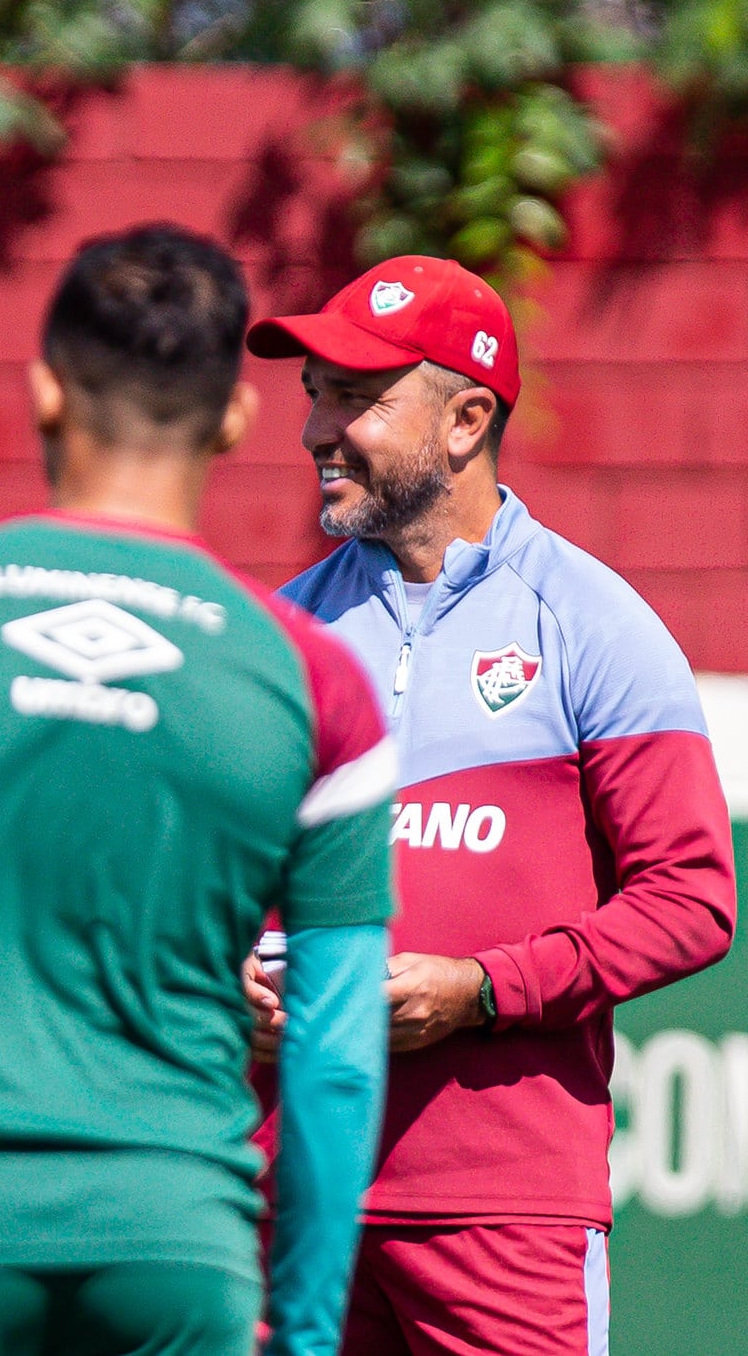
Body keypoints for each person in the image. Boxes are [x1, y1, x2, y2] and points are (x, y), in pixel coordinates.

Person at [0, 223, 396, 1356]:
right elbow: (335, 1050)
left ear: (45, 392)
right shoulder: (313, 678)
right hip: (178, 1249)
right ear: (236, 419)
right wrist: (296, 1330)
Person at [244, 255, 737, 1354]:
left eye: (357, 399)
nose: (318, 431)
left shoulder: (591, 622)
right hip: (289, 1200)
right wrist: (228, 970)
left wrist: (479, 991)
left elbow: (693, 899)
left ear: (465, 418)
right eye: (313, 395)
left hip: (503, 1208)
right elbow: (202, 881)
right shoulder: (277, 637)